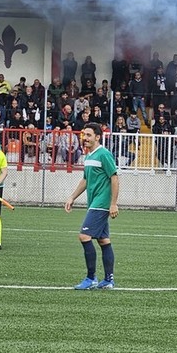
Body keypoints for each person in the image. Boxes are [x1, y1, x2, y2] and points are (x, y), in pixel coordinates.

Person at [66, 123, 119, 290]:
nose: (85, 138)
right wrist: (72, 197)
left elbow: (114, 178)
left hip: (101, 203)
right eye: (84, 135)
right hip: (94, 202)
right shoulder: (89, 156)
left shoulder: (104, 154)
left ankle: (91, 278)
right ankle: (108, 280)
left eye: (89, 135)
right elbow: (85, 180)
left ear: (97, 137)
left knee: (84, 236)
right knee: (103, 240)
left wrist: (113, 204)